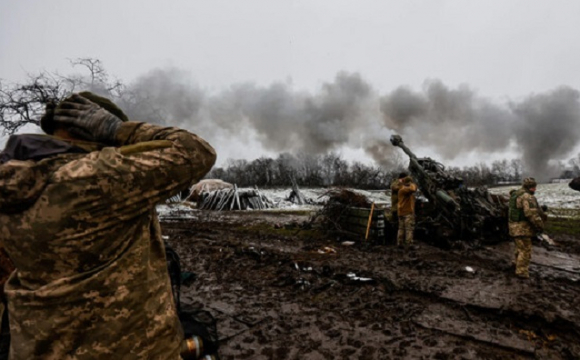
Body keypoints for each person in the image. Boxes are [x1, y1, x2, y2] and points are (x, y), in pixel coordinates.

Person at [0, 92, 216, 359]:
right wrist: (118, 130)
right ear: (92, 128)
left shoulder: (12, 188)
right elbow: (196, 151)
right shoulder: (98, 176)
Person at [508, 177, 546, 279]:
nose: (535, 189)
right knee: (525, 250)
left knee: (519, 248)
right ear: (530, 187)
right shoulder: (527, 197)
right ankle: (521, 272)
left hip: (513, 227)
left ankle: (516, 264)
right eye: (534, 187)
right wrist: (540, 226)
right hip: (523, 228)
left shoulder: (515, 194)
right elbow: (531, 214)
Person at [397, 174, 417, 249]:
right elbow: (413, 189)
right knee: (409, 228)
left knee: (401, 228)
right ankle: (409, 244)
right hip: (407, 212)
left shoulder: (400, 189)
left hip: (401, 212)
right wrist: (412, 183)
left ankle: (400, 243)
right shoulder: (405, 190)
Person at [388, 172, 406, 241]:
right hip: (396, 208)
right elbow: (394, 187)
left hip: (402, 208)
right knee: (395, 224)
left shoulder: (403, 183)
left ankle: (400, 239)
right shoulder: (396, 183)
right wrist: (402, 185)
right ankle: (394, 239)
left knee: (401, 225)